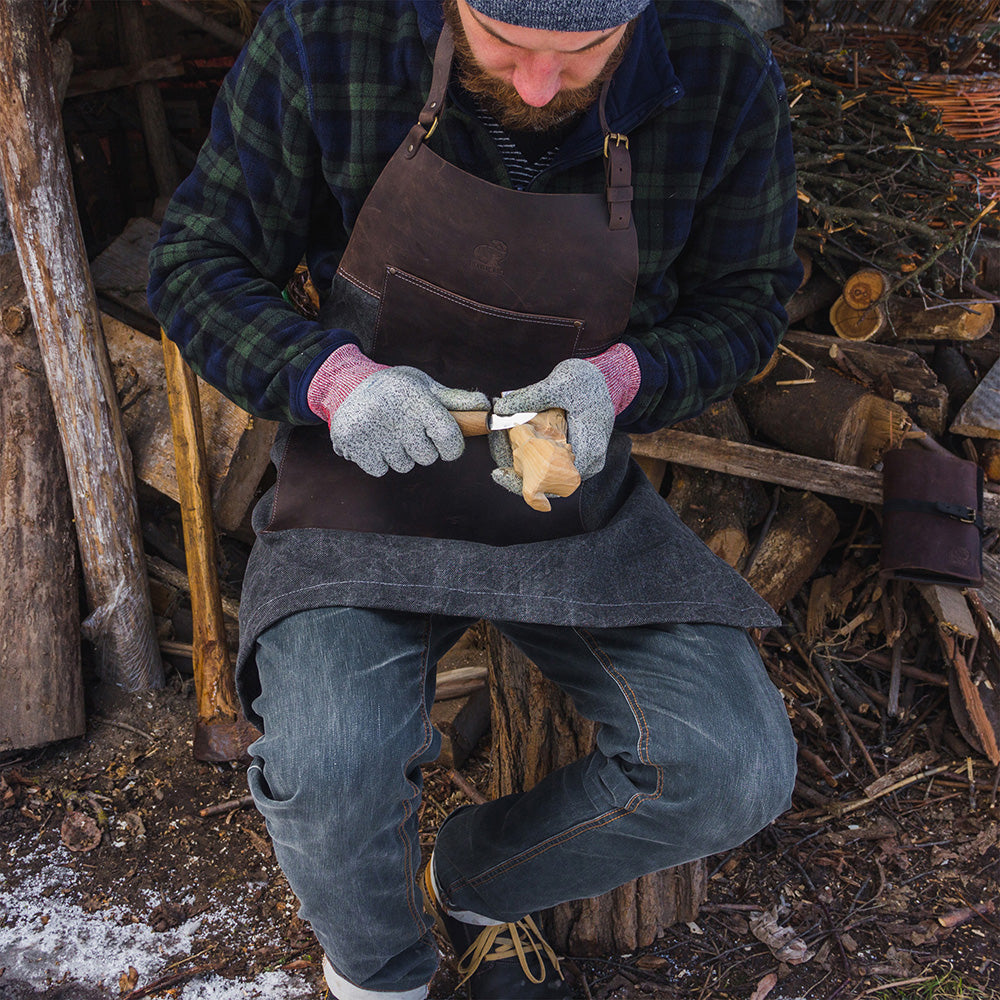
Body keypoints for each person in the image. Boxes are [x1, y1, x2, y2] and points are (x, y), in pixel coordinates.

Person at [148, 1, 802, 997]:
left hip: (557, 479)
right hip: (360, 476)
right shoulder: (331, 34)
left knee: (731, 765)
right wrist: (333, 382)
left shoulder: (720, 70)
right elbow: (195, 263)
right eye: (508, 46)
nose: (539, 85)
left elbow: (748, 303)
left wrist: (623, 379)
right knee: (326, 769)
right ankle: (382, 973)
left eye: (580, 55)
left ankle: (473, 878)